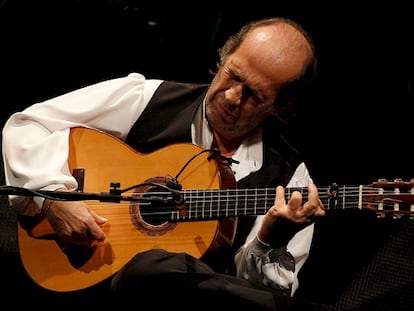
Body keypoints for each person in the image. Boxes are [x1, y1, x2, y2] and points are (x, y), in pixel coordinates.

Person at [2, 17, 325, 310]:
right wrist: (52, 197)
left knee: (151, 270)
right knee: (147, 268)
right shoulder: (148, 98)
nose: (231, 97)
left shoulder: (291, 178)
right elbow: (30, 124)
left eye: (254, 95)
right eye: (233, 75)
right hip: (81, 270)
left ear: (281, 107)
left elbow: (261, 296)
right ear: (223, 58)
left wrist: (268, 240)